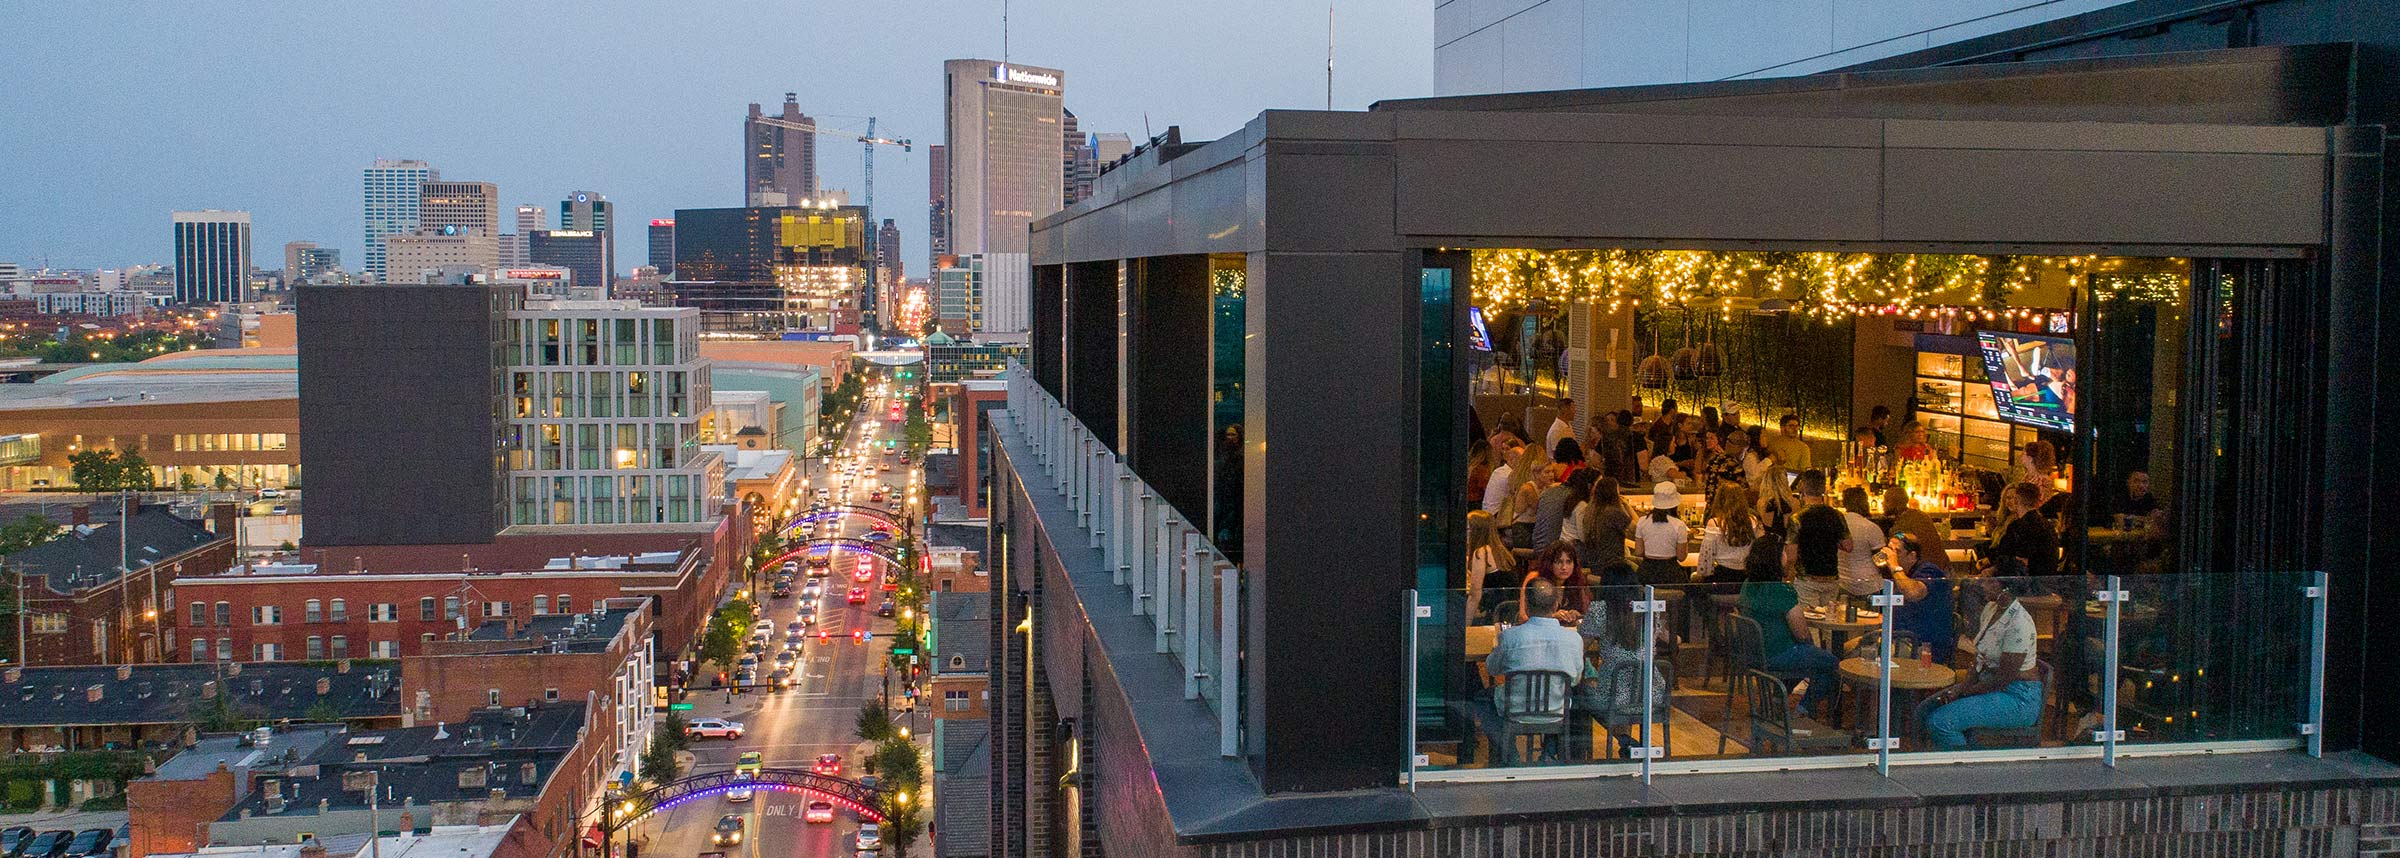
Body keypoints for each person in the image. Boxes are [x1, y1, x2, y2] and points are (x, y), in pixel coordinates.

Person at [1918, 575, 2042, 749]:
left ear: (2004, 588)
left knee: (1941, 722)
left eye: (1988, 581)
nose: (1981, 585)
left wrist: (1965, 692)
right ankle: (1964, 751)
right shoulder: (1991, 608)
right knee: (1924, 710)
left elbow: (2003, 679)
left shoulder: (2018, 623)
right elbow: (1979, 658)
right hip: (1988, 684)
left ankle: (1965, 765)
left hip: (2017, 696)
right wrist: (1963, 687)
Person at [1738, 532, 1839, 714]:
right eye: (1784, 552)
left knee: (1808, 657)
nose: (1788, 556)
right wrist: (1810, 646)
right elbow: (1801, 633)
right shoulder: (1782, 591)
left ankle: (1777, 701)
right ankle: (1803, 709)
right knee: (1831, 663)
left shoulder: (1748, 585)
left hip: (1754, 654)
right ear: (1776, 558)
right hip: (1779, 654)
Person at [1484, 579, 1588, 736]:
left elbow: (1492, 669)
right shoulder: (1574, 639)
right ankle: (1549, 752)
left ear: (1526, 605)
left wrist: (1496, 648)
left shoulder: (1510, 637)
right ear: (1555, 605)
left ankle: (1508, 753)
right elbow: (1574, 680)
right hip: (1556, 711)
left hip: (1515, 709)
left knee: (1482, 699)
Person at [1572, 596, 1670, 757]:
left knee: (1580, 691)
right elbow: (1666, 637)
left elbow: (1579, 647)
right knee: (1614, 696)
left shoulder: (1601, 609)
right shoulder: (1648, 607)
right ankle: (1627, 743)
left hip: (1614, 698)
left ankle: (1621, 741)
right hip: (1653, 696)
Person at [1882, 532, 1954, 664]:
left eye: (1896, 552)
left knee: (1858, 657)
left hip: (1922, 646)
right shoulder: (1902, 576)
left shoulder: (1929, 570)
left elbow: (1913, 593)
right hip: (1899, 639)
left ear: (1912, 556)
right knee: (1850, 651)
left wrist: (1894, 566)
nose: (1890, 556)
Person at [1983, 482, 2058, 579]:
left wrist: (1993, 570)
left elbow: (2017, 562)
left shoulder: (2018, 527)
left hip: (2023, 584)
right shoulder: (2047, 526)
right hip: (2046, 582)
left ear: (2016, 500)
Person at [1791, 503, 1849, 611]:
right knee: (1830, 619)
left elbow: (1791, 554)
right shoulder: (1837, 515)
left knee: (1810, 620)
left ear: (1803, 492)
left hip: (1807, 577)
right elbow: (1848, 546)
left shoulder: (1798, 517)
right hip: (1831, 576)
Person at [1632, 482, 1690, 587]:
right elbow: (1681, 557)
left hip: (1646, 572)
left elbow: (1638, 552)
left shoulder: (1642, 521)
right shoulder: (1679, 525)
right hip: (1671, 573)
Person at [1570, 476, 1633, 572]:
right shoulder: (1614, 513)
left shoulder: (1590, 512)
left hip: (1595, 562)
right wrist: (1627, 506)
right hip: (1614, 564)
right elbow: (1636, 528)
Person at [1518, 541, 1590, 623]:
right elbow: (1522, 618)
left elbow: (1587, 615)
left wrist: (1577, 615)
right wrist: (1551, 617)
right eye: (1559, 562)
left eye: (1568, 562)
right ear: (1549, 563)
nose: (1564, 567)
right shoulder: (1535, 578)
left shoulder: (1577, 580)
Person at [1882, 486, 1951, 573]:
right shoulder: (1920, 515)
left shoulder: (1903, 523)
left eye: (1886, 500)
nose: (1882, 503)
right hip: (1943, 567)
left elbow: (1902, 539)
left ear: (1895, 503)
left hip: (1928, 572)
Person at [1466, 510, 1517, 622]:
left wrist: (1466, 624)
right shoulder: (1500, 551)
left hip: (1493, 611)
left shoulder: (1481, 553)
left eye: (1467, 529)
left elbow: (1475, 593)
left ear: (1476, 531)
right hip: (1507, 610)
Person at [1697, 485, 1755, 582]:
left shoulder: (1714, 523)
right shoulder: (1753, 521)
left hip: (1722, 577)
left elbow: (1706, 558)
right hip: (1746, 577)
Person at [1836, 486, 1887, 598]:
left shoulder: (1837, 524)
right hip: (1869, 584)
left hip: (1842, 583)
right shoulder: (1870, 527)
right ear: (1864, 503)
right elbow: (1880, 560)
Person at [1532, 466, 1590, 551]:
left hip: (1537, 545)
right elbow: (1582, 536)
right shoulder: (1574, 499)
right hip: (1555, 549)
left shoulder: (1547, 492)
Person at [1480, 436, 1525, 516]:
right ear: (1512, 459)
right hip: (1496, 516)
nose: (1523, 464)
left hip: (1488, 513)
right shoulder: (1508, 475)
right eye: (1522, 460)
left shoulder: (1499, 471)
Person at [1466, 437, 1497, 509]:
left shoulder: (1470, 466)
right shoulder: (1481, 470)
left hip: (1467, 501)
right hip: (1475, 503)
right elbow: (1487, 489)